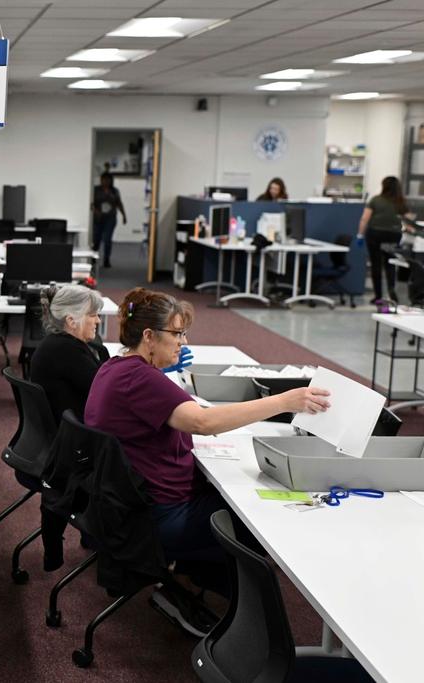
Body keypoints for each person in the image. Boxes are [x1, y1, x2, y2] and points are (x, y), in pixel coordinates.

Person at [84, 288, 329, 599]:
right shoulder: (141, 379)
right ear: (149, 336)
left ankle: (196, 575)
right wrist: (285, 401)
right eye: (177, 333)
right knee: (261, 517)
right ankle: (221, 589)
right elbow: (203, 422)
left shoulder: (115, 367)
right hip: (159, 514)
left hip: (133, 504)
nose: (183, 342)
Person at [29, 284, 110, 424]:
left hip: (67, 427)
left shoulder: (58, 344)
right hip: (76, 433)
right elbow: (106, 390)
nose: (98, 320)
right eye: (92, 315)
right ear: (71, 321)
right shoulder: (66, 352)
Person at [358, 176, 413, 304]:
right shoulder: (400, 202)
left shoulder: (376, 200)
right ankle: (392, 295)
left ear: (384, 186)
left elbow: (364, 219)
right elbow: (409, 222)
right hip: (393, 235)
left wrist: (360, 235)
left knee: (376, 264)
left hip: (375, 234)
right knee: (390, 264)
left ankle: (378, 296)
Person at [91, 172, 126, 269]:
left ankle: (106, 260)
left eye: (108, 180)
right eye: (103, 179)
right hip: (98, 218)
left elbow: (119, 203)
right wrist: (95, 211)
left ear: (111, 181)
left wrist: (124, 215)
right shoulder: (96, 190)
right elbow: (91, 204)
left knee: (107, 239)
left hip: (110, 218)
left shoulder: (114, 191)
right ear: (101, 180)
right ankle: (93, 260)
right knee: (96, 240)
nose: (105, 182)